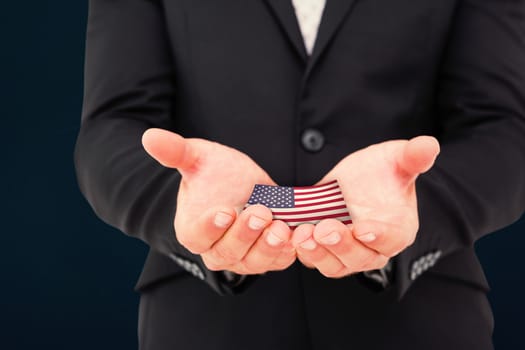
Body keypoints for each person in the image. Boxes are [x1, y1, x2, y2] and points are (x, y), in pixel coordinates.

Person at [74, 0, 525, 349]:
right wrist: (176, 205)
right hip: (205, 323)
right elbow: (110, 129)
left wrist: (418, 209)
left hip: (422, 319)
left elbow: (504, 132)